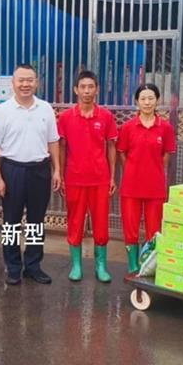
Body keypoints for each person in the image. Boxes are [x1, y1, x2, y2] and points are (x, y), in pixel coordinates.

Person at [0, 64, 61, 285]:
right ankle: (13, 267)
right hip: (12, 170)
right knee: (11, 221)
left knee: (36, 221)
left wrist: (57, 169)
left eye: (30, 80)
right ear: (13, 83)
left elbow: (53, 141)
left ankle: (33, 266)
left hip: (40, 170)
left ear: (36, 82)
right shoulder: (3, 111)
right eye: (21, 80)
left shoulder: (45, 108)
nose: (25, 84)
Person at [57, 70, 117, 282]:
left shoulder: (106, 116)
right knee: (75, 221)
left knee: (101, 223)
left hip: (100, 178)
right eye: (82, 87)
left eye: (91, 87)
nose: (87, 91)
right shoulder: (66, 117)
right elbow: (61, 147)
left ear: (97, 89)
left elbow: (111, 146)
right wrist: (61, 175)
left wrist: (112, 177)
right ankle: (76, 265)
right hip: (74, 178)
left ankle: (101, 265)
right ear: (75, 90)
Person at [116, 83, 177, 273]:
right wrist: (132, 169)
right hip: (131, 186)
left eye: (151, 98)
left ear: (157, 101)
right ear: (137, 101)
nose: (147, 102)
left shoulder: (165, 128)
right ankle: (133, 264)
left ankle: (149, 265)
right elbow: (122, 153)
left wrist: (154, 170)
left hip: (155, 187)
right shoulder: (128, 127)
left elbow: (166, 155)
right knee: (130, 227)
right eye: (143, 98)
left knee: (154, 229)